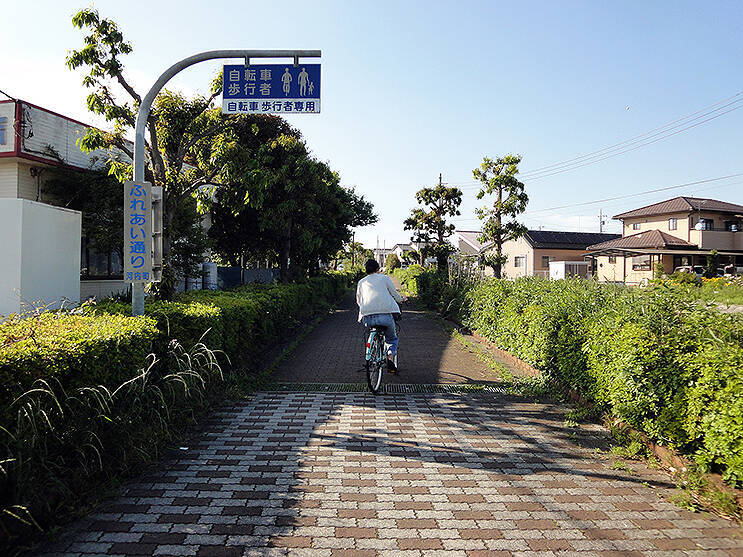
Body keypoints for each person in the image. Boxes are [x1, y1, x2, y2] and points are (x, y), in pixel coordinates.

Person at [356, 259, 407, 371]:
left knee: (371, 332)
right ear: (378, 269)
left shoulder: (361, 282)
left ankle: (372, 349)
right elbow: (395, 294)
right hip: (385, 317)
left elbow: (359, 301)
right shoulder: (384, 278)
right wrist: (401, 300)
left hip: (367, 318)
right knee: (392, 338)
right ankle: (390, 356)